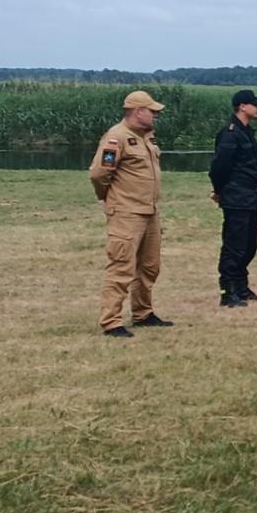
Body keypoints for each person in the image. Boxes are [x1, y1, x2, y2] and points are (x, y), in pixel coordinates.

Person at [88, 90, 172, 338]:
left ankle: (143, 313)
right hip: (127, 212)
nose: (155, 115)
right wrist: (107, 197)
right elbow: (99, 174)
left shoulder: (146, 137)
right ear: (138, 111)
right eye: (152, 111)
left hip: (149, 211)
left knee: (149, 266)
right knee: (121, 267)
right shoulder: (117, 137)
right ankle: (111, 321)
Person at [211, 89, 257, 308]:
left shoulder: (246, 131)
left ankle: (242, 287)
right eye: (254, 104)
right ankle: (227, 291)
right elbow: (219, 167)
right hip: (236, 196)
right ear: (242, 106)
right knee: (234, 246)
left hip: (250, 196)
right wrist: (219, 190)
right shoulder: (230, 133)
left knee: (249, 245)